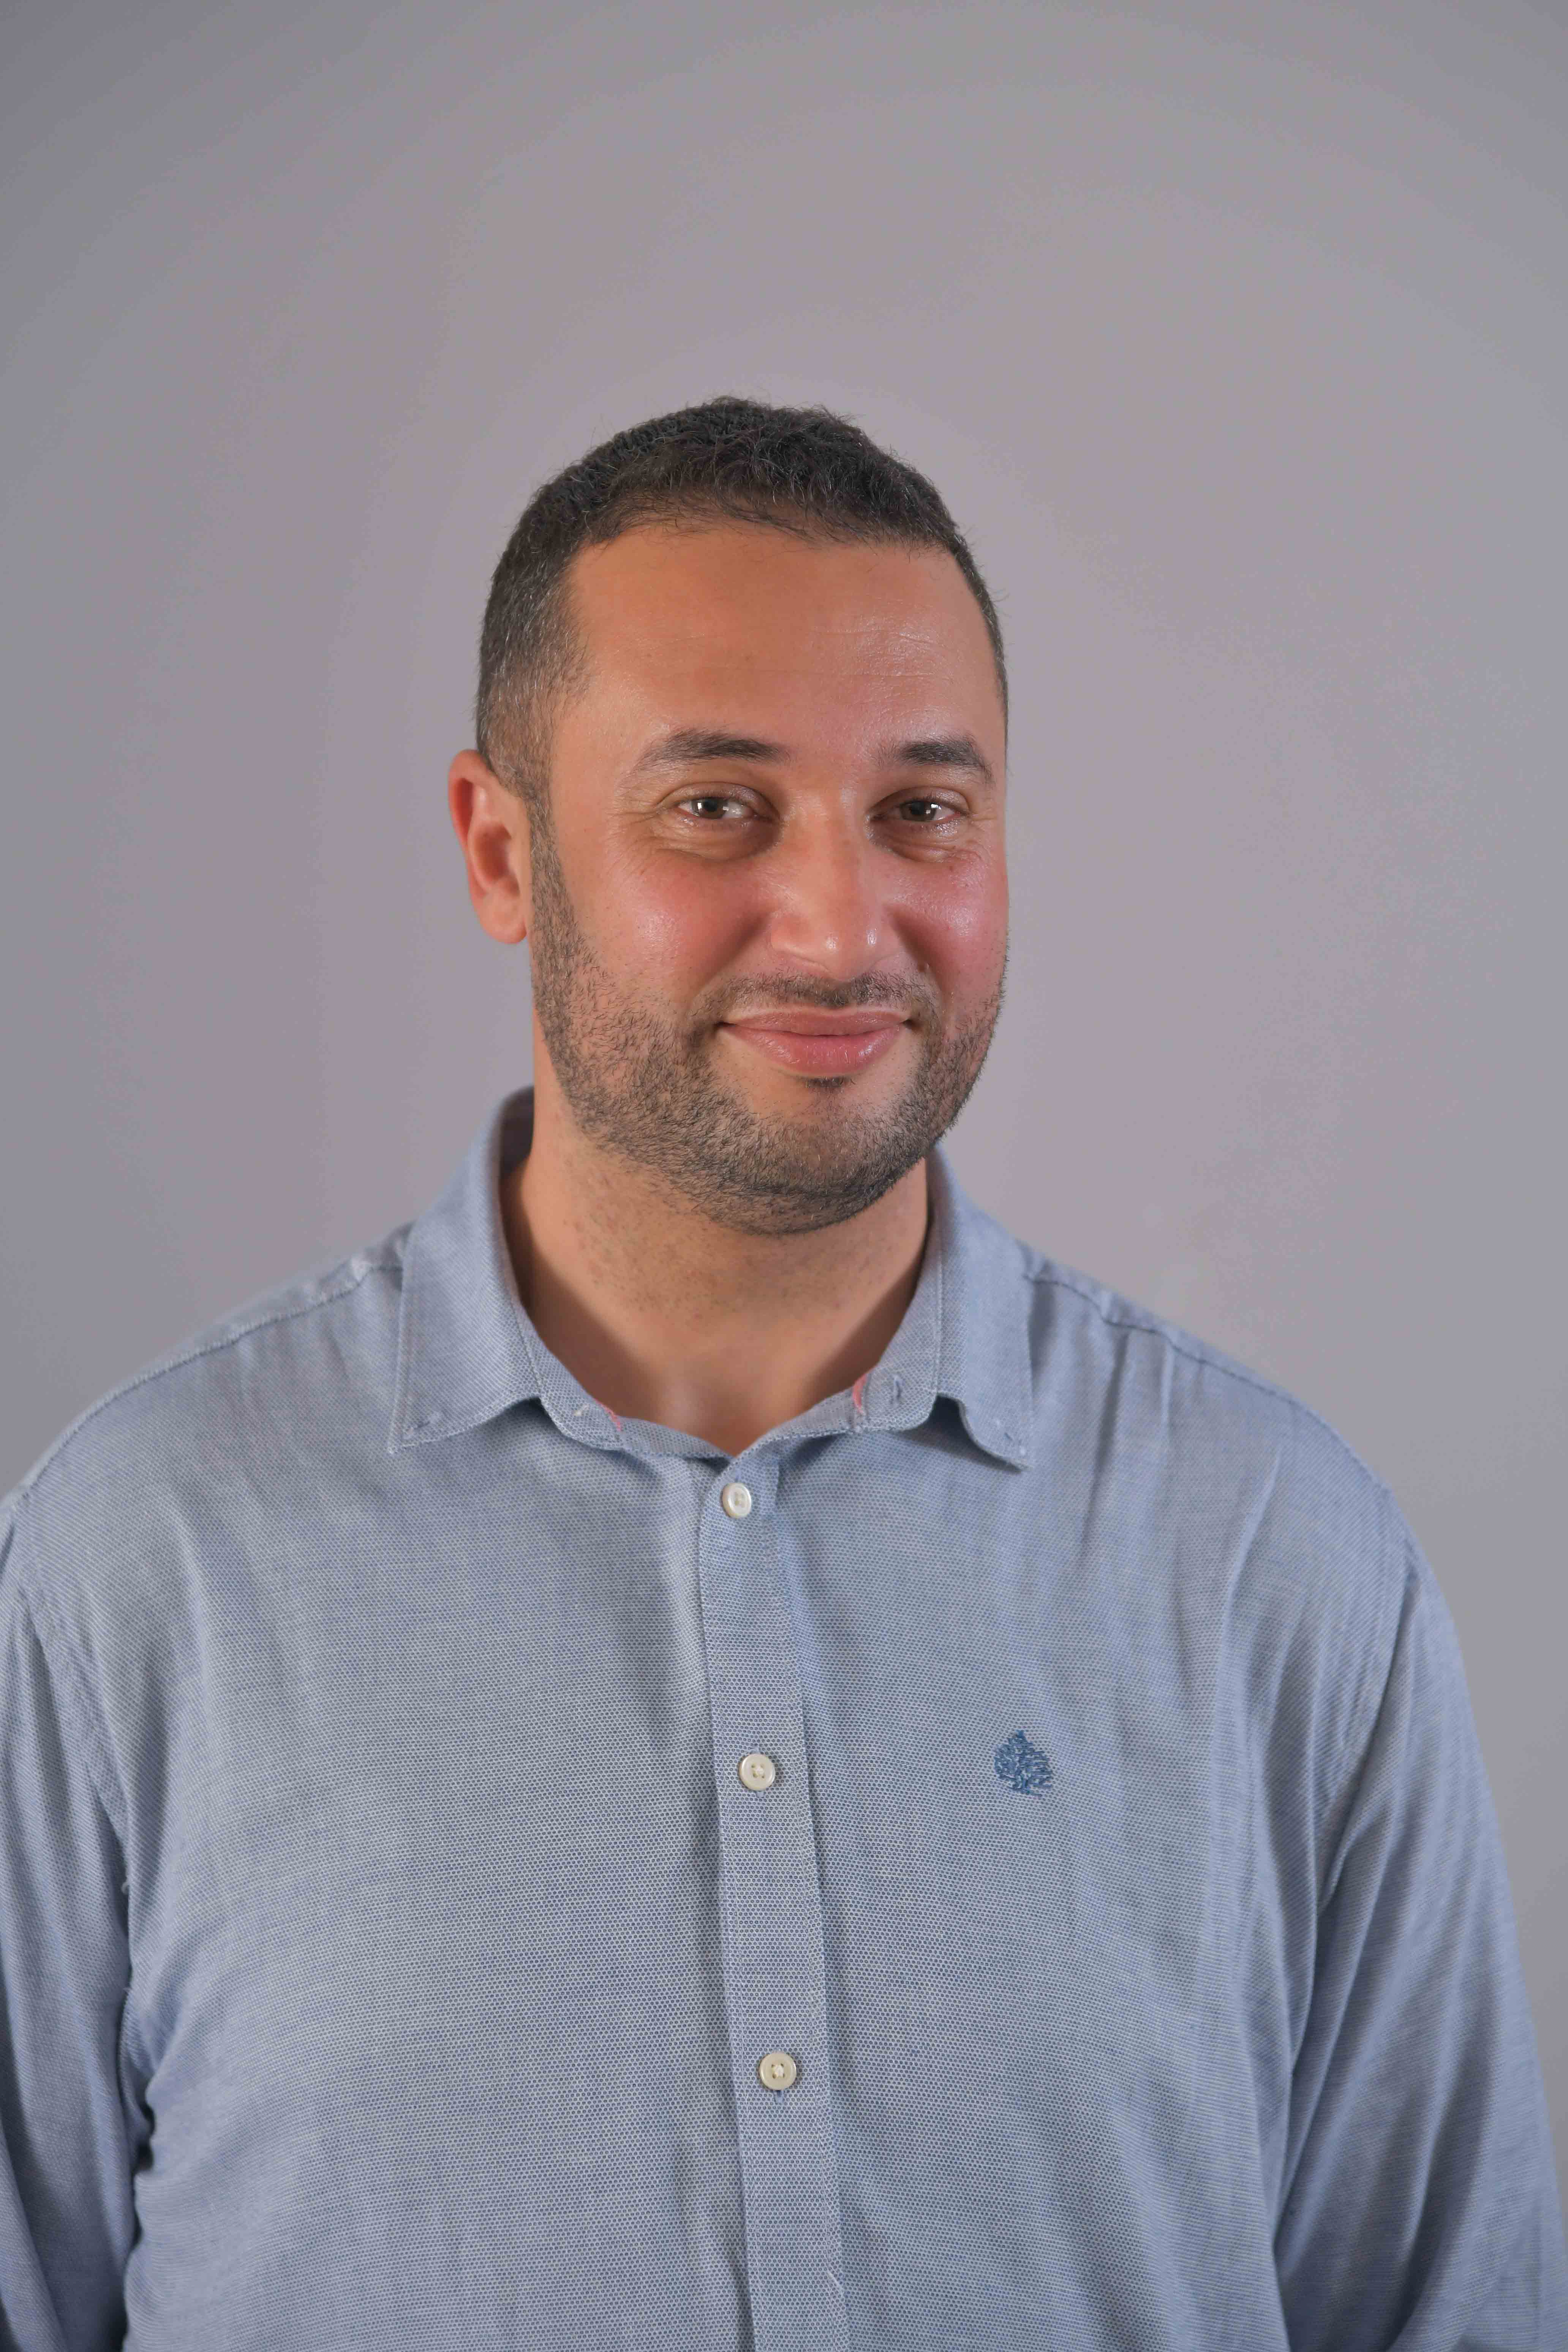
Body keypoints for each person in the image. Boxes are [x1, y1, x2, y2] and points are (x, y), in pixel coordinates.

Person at [1, 395, 1562, 2352]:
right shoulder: (137, 1562)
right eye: (717, 808)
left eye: (924, 812)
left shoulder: (1280, 1559)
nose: (841, 927)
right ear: (500, 849)